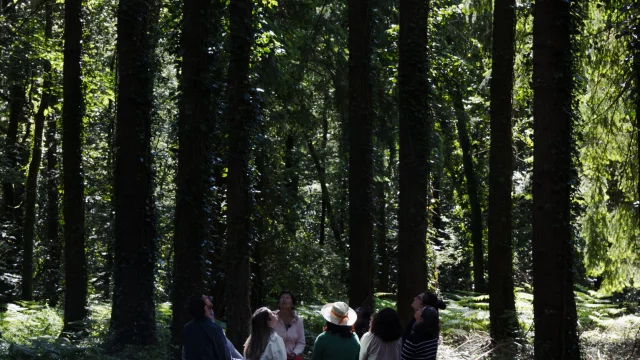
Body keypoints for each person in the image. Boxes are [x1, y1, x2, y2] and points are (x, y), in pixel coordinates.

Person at [183, 294, 232, 360]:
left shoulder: (187, 328)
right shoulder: (215, 329)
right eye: (205, 298)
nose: (208, 297)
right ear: (205, 308)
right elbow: (225, 357)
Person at [274, 291, 305, 360]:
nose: (284, 300)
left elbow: (301, 342)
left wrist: (295, 353)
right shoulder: (272, 318)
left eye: (287, 298)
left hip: (292, 357)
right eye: (282, 297)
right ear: (279, 302)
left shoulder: (298, 321)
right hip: (274, 356)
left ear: (292, 304)